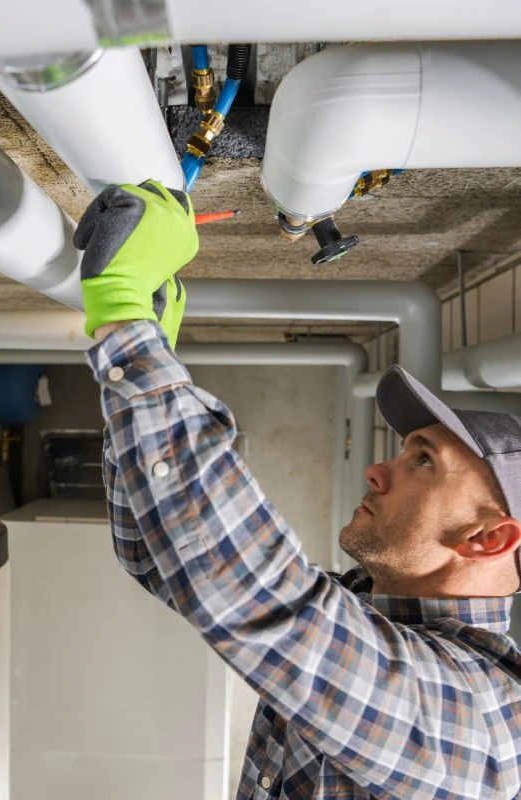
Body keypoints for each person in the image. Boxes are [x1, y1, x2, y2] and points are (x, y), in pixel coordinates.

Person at [75, 180, 521, 798]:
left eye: (423, 462)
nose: (377, 471)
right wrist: (150, 352)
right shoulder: (371, 615)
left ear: (489, 536)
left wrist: (126, 320)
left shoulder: (484, 721)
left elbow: (266, 602)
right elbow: (160, 557)